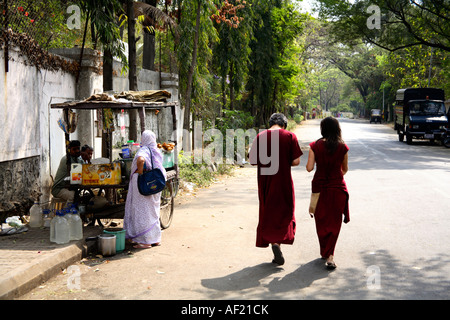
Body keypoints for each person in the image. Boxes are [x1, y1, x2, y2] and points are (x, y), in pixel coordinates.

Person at [249, 113, 302, 265]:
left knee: (269, 212)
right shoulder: (290, 136)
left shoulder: (260, 137)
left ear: (270, 123)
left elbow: (253, 161)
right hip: (283, 181)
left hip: (266, 182)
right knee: (285, 211)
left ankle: (274, 244)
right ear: (284, 125)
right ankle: (278, 242)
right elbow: (296, 161)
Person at [306, 117, 350, 270]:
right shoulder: (343, 147)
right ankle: (330, 255)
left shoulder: (315, 146)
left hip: (320, 187)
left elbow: (309, 168)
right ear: (337, 129)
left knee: (322, 221)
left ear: (322, 129)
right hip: (337, 187)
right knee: (334, 222)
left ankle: (326, 252)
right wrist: (335, 176)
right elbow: (344, 169)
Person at [124, 130, 167, 249]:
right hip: (155, 182)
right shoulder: (156, 150)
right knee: (153, 211)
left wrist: (141, 173)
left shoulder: (144, 150)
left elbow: (141, 160)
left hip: (144, 183)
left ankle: (145, 241)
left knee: (142, 211)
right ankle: (155, 239)